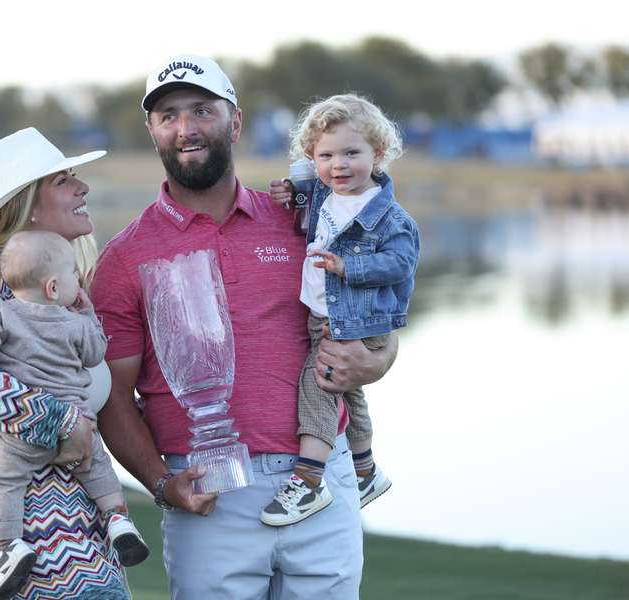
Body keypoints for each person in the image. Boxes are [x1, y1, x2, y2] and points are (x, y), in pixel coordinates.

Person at [91, 54, 399, 599]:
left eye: (202, 111)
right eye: (168, 115)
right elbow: (111, 396)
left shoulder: (303, 222)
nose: (186, 128)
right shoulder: (125, 258)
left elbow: (369, 314)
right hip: (208, 488)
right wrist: (162, 484)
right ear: (153, 131)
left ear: (234, 123)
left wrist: (382, 355)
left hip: (321, 475)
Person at [0, 127, 131, 600]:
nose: (82, 187)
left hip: (83, 501)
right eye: (64, 180)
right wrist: (61, 420)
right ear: (27, 203)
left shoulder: (67, 283)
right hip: (27, 506)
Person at [0, 230, 149, 599]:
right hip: (78, 422)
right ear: (52, 287)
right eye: (74, 276)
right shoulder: (72, 321)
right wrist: (89, 314)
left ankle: (9, 545)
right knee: (97, 469)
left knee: (4, 480)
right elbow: (95, 354)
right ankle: (118, 519)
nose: (79, 283)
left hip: (23, 435)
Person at [261, 94, 420, 527]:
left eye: (352, 153)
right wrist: (292, 192)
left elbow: (402, 263)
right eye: (326, 156)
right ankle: (365, 470)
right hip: (323, 315)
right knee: (349, 391)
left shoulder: (389, 217)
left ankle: (309, 481)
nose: (339, 165)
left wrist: (350, 267)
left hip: (355, 317)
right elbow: (310, 197)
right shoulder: (324, 194)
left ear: (378, 154)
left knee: (319, 385)